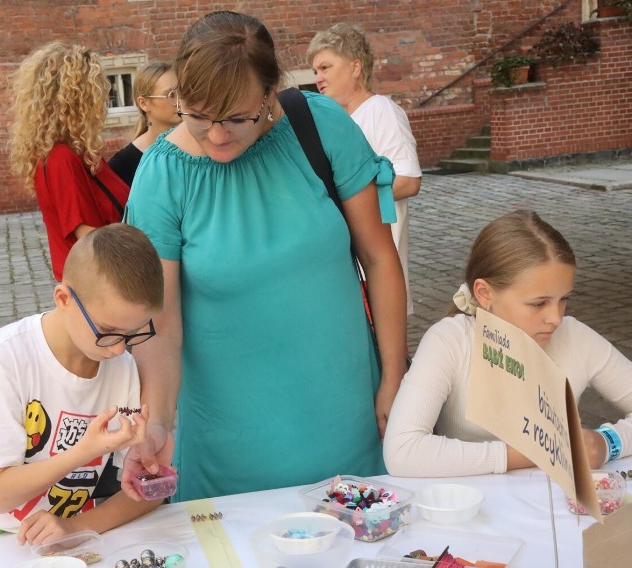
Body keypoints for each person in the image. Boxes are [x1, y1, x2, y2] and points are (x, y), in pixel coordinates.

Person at [122, 11, 408, 502]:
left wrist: (394, 377)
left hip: (344, 410)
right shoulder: (161, 176)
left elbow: (380, 259)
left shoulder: (321, 128)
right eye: (196, 114)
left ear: (271, 92)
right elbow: (162, 325)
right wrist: (159, 421)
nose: (215, 135)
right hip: (227, 439)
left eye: (236, 117)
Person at [0, 224, 164, 544]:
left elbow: (149, 491)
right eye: (108, 331)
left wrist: (79, 525)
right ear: (63, 298)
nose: (119, 349)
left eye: (133, 335)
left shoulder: (121, 366)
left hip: (55, 532)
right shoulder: (3, 359)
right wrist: (84, 452)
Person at [383, 210, 632, 477]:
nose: (556, 317)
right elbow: (402, 450)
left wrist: (609, 442)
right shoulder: (450, 341)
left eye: (564, 299)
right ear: (484, 293)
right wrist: (540, 452)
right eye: (539, 303)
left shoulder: (575, 337)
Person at [308, 23, 422, 315]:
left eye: (325, 68)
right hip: (347, 266)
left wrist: (345, 199)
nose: (318, 79)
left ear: (355, 67)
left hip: (376, 269)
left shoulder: (381, 111)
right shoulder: (338, 119)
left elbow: (408, 180)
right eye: (315, 72)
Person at [10, 42, 130, 282]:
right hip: (99, 285)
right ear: (76, 98)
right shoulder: (61, 159)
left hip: (103, 280)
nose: (103, 98)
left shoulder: (72, 153)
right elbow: (88, 237)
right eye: (96, 90)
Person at [108, 62, 181, 187]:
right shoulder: (123, 164)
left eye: (182, 92)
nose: (179, 101)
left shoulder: (198, 148)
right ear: (144, 103)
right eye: (171, 95)